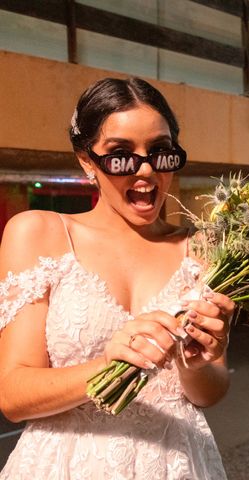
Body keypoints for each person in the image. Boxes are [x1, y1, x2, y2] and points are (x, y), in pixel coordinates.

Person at [0, 78, 232, 478]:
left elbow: (209, 393)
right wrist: (105, 365)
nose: (145, 170)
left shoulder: (204, 249)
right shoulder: (40, 233)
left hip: (175, 460)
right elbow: (12, 394)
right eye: (121, 155)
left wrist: (199, 364)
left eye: (160, 152)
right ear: (86, 161)